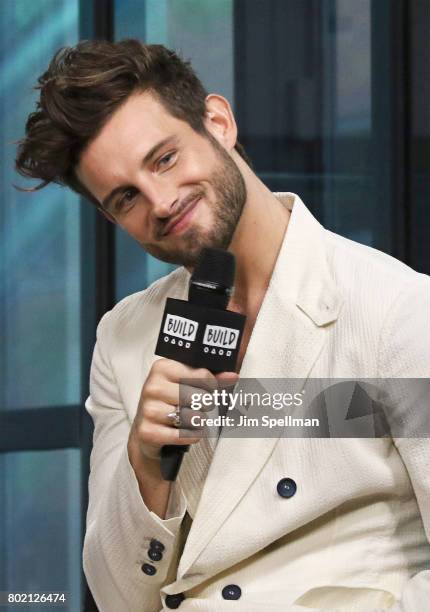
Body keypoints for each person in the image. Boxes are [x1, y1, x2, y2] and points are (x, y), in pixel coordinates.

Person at [15, 39, 430, 612]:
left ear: (218, 122)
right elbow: (117, 598)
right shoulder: (125, 337)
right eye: (126, 197)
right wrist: (145, 461)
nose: (160, 202)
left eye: (164, 159)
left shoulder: (396, 312)